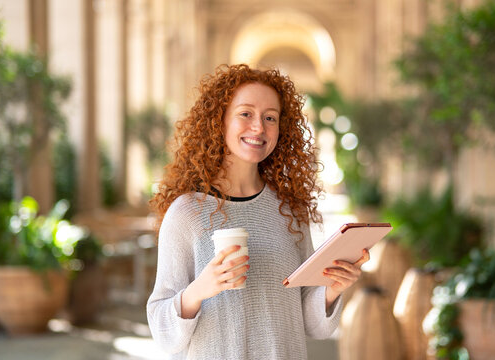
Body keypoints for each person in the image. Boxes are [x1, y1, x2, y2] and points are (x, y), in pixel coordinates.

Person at [147, 64, 369, 359]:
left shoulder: (290, 210)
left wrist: (332, 288)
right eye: (245, 114)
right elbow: (162, 333)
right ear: (219, 121)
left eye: (270, 118)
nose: (259, 127)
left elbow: (312, 324)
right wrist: (200, 289)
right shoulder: (186, 213)